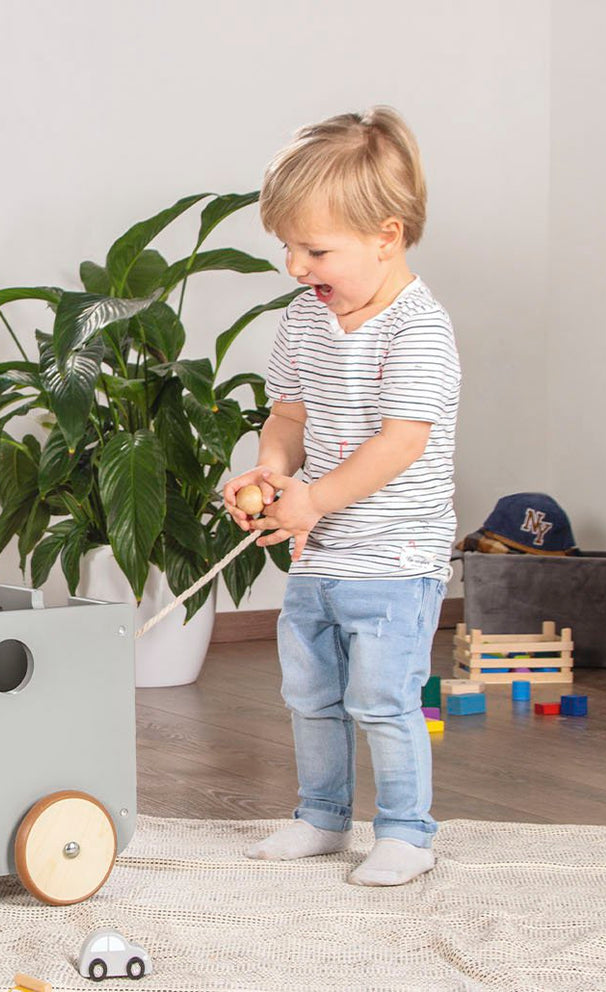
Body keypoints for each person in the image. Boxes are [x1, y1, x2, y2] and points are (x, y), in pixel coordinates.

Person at [223, 107, 461, 886]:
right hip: (320, 554)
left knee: (382, 699)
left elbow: (401, 441)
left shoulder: (416, 330)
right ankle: (322, 817)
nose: (295, 266)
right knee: (310, 693)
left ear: (385, 237)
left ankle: (404, 831)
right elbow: (287, 414)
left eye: (314, 249)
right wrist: (269, 472)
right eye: (287, 247)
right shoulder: (304, 319)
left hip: (395, 559)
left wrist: (314, 499)